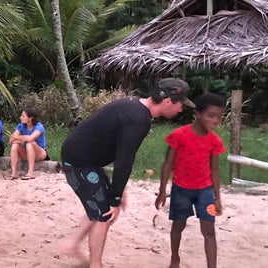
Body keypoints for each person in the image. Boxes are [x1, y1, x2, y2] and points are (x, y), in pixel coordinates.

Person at [58, 78, 195, 267]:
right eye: (181, 104)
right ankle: (95, 264)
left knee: (102, 207)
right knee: (105, 213)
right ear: (168, 102)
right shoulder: (138, 119)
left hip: (88, 160)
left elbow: (119, 149)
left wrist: (118, 189)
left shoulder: (136, 108)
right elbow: (124, 160)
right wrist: (115, 198)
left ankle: (73, 245)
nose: (181, 110)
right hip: (78, 162)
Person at [155, 93, 226, 268]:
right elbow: (167, 164)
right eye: (211, 115)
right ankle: (174, 258)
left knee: (209, 230)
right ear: (198, 114)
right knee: (178, 226)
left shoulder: (214, 141)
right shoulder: (179, 135)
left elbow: (214, 171)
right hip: (181, 191)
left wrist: (217, 198)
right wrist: (163, 190)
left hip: (205, 192)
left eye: (219, 116)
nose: (215, 120)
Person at [9, 108, 48, 180]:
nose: (21, 118)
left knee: (29, 143)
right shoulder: (21, 126)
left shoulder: (39, 126)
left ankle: (30, 172)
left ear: (30, 118)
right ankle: (13, 173)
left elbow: (30, 138)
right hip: (27, 152)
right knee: (15, 146)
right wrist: (21, 139)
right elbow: (11, 140)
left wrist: (18, 137)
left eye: (23, 116)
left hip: (39, 152)